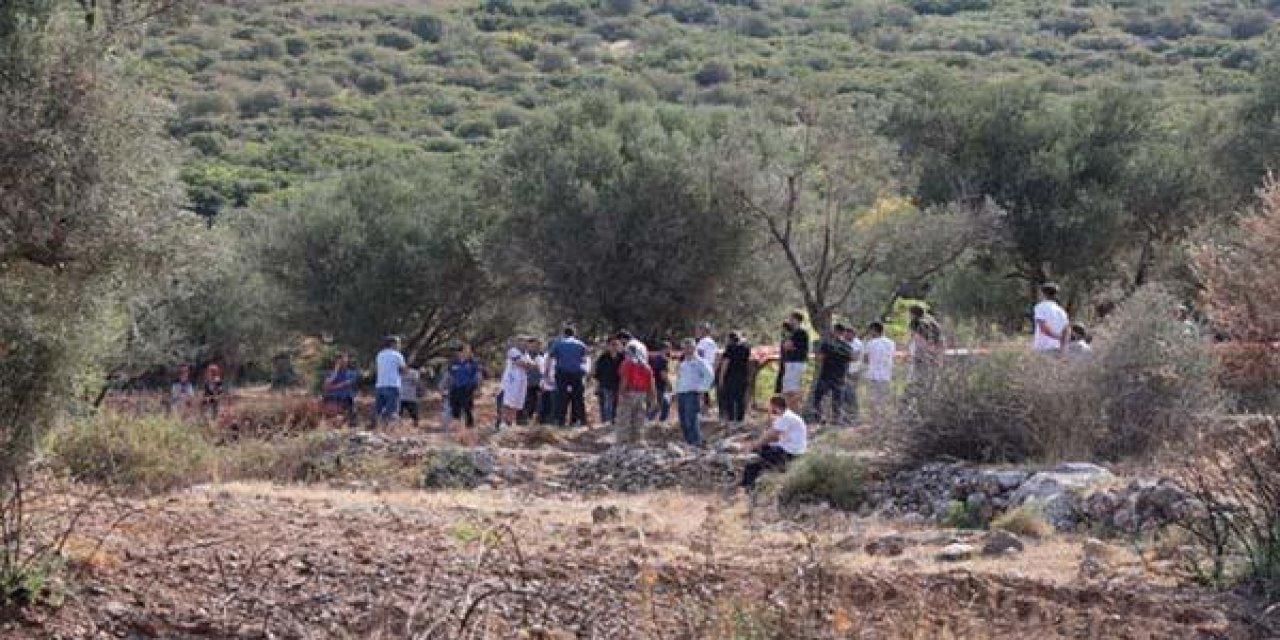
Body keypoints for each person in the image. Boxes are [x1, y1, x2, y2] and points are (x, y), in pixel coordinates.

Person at [737, 395, 807, 493]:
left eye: (770, 406)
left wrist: (752, 446)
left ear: (774, 406)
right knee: (762, 449)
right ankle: (751, 484)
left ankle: (746, 489)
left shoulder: (786, 417)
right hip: (791, 450)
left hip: (790, 454)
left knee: (753, 462)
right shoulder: (787, 416)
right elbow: (774, 437)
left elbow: (771, 436)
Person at [811, 323, 854, 426]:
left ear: (834, 331)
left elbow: (820, 357)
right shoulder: (847, 347)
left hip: (826, 375)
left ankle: (821, 417)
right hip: (840, 377)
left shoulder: (826, 344)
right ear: (843, 333)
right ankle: (836, 420)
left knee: (818, 398)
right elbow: (851, 359)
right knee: (837, 401)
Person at [675, 339, 715, 447]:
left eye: (689, 347)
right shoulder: (683, 364)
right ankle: (689, 442)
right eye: (684, 348)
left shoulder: (700, 362)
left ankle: (696, 442)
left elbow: (709, 375)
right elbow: (679, 379)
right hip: (682, 394)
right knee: (683, 420)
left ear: (694, 348)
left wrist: (701, 389)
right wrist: (676, 392)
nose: (687, 350)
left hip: (692, 394)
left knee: (691, 419)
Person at [616, 342, 657, 444]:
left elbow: (624, 380)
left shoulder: (627, 363)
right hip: (642, 395)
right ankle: (637, 441)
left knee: (624, 419)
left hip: (629, 393)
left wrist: (621, 394)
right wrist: (653, 400)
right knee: (639, 420)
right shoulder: (647, 367)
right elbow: (651, 385)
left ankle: (623, 442)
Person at [548, 326, 589, 427]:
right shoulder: (581, 344)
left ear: (564, 334)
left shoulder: (558, 343)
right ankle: (580, 420)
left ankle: (559, 420)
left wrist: (547, 373)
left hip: (562, 372)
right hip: (577, 373)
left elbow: (551, 357)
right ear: (574, 334)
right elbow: (584, 359)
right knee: (578, 397)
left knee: (561, 397)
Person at [864, 322, 896, 430]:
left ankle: (875, 423)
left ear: (874, 330)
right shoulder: (891, 343)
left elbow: (866, 359)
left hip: (873, 374)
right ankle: (883, 422)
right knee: (883, 400)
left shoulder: (870, 343)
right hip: (886, 374)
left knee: (873, 399)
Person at [776, 311, 810, 411]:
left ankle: (794, 412)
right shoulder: (792, 333)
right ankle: (789, 412)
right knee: (787, 390)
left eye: (791, 318)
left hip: (796, 363)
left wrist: (788, 345)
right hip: (790, 363)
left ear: (796, 320)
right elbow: (786, 346)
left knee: (791, 391)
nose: (789, 320)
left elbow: (787, 346)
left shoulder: (800, 332)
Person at [499, 337, 536, 429]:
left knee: (516, 402)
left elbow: (533, 366)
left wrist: (528, 364)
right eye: (525, 341)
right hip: (511, 380)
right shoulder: (513, 351)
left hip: (521, 381)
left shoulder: (526, 354)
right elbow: (521, 363)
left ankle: (510, 422)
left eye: (528, 342)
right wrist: (527, 364)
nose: (527, 344)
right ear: (519, 342)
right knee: (508, 401)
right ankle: (503, 422)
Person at [373, 336, 408, 427]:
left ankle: (375, 426)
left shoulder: (380, 354)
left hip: (380, 385)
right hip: (392, 384)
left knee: (378, 409)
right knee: (391, 410)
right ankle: (387, 428)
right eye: (398, 343)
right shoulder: (397, 355)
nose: (399, 345)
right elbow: (404, 370)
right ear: (393, 344)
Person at [718, 331, 752, 425]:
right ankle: (740, 419)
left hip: (731, 377)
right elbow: (748, 362)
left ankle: (731, 419)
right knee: (740, 398)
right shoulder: (746, 348)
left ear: (730, 339)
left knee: (730, 398)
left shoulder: (730, 348)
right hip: (743, 376)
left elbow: (726, 363)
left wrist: (721, 377)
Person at [447, 344, 482, 429]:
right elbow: (449, 374)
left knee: (467, 407)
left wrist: (478, 387)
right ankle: (457, 425)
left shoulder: (473, 362)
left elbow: (478, 375)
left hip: (467, 387)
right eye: (465, 351)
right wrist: (447, 386)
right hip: (455, 387)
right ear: (459, 352)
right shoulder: (453, 362)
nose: (467, 353)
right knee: (455, 407)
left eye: (468, 351)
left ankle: (470, 425)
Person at [907, 305, 943, 383]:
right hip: (934, 354)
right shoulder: (934, 323)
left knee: (917, 380)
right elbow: (940, 340)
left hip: (921, 355)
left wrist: (921, 353)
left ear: (913, 314)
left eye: (909, 314)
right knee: (931, 379)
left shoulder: (915, 322)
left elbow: (918, 338)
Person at [322, 352, 360, 427]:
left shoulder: (352, 373)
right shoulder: (331, 373)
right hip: (332, 399)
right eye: (340, 360)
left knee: (347, 417)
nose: (342, 361)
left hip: (345, 399)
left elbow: (346, 383)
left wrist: (332, 387)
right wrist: (335, 372)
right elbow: (326, 386)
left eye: (344, 359)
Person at [592, 338, 623, 426]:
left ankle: (612, 422)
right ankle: (607, 423)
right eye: (612, 345)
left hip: (618, 385)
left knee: (615, 404)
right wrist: (597, 385)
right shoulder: (603, 357)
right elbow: (597, 372)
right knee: (607, 403)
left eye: (616, 345)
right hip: (605, 384)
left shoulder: (622, 357)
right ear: (608, 346)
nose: (614, 347)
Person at [1032, 283, 1069, 353]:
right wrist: (1063, 346)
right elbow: (1066, 330)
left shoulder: (1040, 307)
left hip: (1043, 348)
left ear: (1043, 294)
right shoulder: (1061, 311)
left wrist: (1057, 337)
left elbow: (1043, 328)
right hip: (1057, 348)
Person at [842, 325, 865, 424]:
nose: (846, 336)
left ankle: (854, 415)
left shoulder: (857, 343)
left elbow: (854, 357)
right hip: (843, 371)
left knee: (851, 394)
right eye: (845, 334)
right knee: (844, 394)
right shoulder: (843, 342)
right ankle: (846, 416)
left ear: (853, 334)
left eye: (848, 334)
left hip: (853, 371)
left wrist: (842, 355)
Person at [695, 323, 719, 414]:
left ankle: (703, 411)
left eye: (698, 330)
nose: (697, 332)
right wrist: (714, 369)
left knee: (700, 391)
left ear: (704, 331)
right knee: (705, 390)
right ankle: (706, 410)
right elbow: (717, 356)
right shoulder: (713, 342)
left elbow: (700, 354)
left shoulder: (703, 341)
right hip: (710, 368)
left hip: (703, 368)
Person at [647, 341, 672, 423]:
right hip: (660, 385)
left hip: (654, 384)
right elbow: (663, 374)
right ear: (665, 349)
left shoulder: (656, 358)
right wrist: (669, 383)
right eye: (669, 348)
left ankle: (660, 420)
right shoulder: (663, 360)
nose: (670, 350)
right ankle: (649, 420)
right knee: (658, 405)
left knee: (665, 403)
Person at [521, 339, 544, 425]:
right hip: (528, 382)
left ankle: (538, 420)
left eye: (537, 345)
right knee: (528, 401)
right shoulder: (523, 355)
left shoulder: (543, 356)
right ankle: (525, 419)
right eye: (533, 345)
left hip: (540, 383)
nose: (535, 347)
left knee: (539, 402)